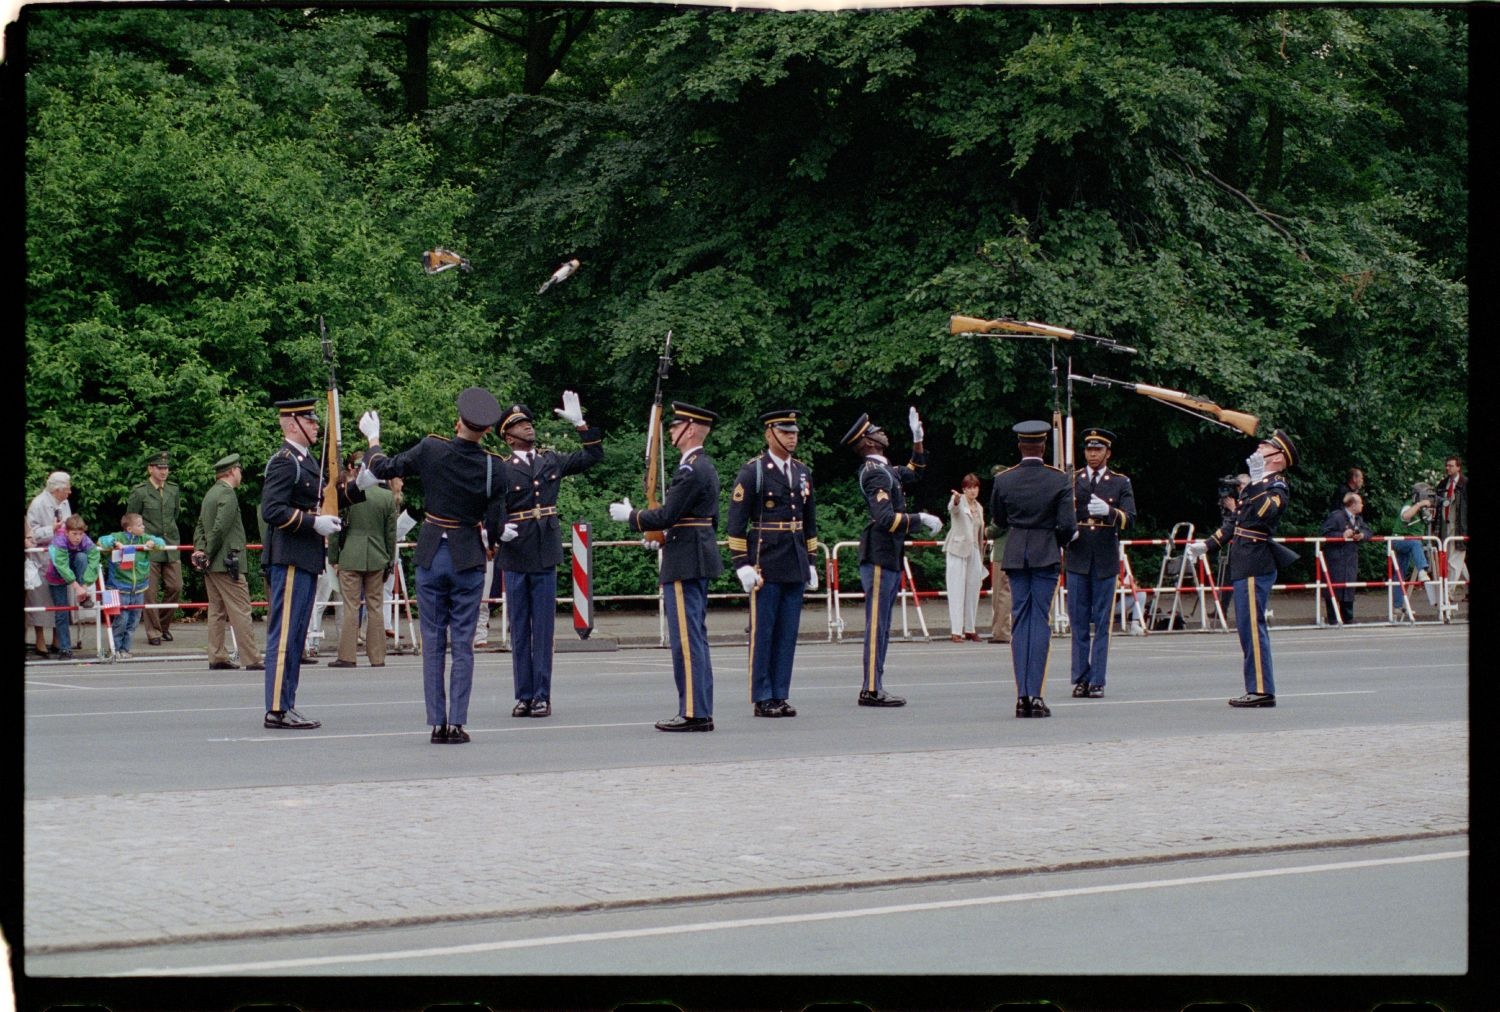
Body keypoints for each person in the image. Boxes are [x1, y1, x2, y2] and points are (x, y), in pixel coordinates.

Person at [359, 387, 509, 744]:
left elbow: (383, 468)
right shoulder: (494, 466)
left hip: (431, 552)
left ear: (457, 422)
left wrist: (373, 438)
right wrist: (492, 543)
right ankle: (456, 722)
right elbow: (496, 526)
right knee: (463, 643)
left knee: (432, 640)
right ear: (487, 430)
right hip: (468, 556)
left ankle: (436, 723)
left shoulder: (431, 448)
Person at [610, 402, 723, 731]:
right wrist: (661, 536)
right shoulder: (705, 467)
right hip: (692, 552)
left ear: (689, 429)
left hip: (685, 560)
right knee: (695, 638)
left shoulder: (690, 470)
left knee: (686, 641)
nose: (670, 432)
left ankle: (693, 712)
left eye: (675, 427)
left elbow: (669, 514)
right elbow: (696, 519)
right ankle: (699, 707)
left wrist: (633, 518)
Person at [495, 393, 604, 717]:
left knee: (543, 630)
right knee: (519, 629)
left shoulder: (550, 460)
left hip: (544, 550)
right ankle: (523, 695)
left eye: (529, 423)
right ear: (508, 435)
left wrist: (581, 424)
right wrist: (497, 527)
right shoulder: (500, 469)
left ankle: (542, 695)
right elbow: (488, 503)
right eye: (520, 425)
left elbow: (593, 457)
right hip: (515, 550)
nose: (528, 428)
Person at [1186, 429, 1300, 708]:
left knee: (1252, 627)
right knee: (1246, 629)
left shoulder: (1277, 487)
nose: (1259, 449)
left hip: (1256, 561)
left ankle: (1262, 690)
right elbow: (1235, 522)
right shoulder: (1255, 485)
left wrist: (1258, 480)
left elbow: (1265, 513)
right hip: (1244, 560)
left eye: (1266, 447)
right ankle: (1257, 687)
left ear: (1278, 458)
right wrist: (1207, 545)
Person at [840, 408, 940, 708]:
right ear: (868, 442)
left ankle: (875, 684)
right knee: (877, 623)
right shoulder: (874, 473)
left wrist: (918, 440)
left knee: (883, 623)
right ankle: (870, 688)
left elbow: (915, 472)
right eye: (876, 431)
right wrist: (919, 518)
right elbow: (885, 518)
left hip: (889, 552)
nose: (882, 432)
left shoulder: (886, 470)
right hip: (880, 552)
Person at [726, 409, 820, 718]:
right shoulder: (754, 471)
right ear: (770, 434)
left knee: (787, 633)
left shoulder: (802, 471)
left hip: (794, 559)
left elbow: (810, 521)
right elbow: (736, 524)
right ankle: (762, 695)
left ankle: (780, 692)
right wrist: (742, 564)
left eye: (794, 431)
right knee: (763, 631)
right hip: (765, 560)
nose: (792, 436)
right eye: (785, 431)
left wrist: (812, 561)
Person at [258, 398, 346, 730]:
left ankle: (287, 703)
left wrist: (360, 487)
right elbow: (272, 510)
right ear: (292, 424)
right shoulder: (285, 461)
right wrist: (313, 524)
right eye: (309, 421)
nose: (315, 425)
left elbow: (324, 496)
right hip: (290, 557)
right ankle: (277, 708)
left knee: (296, 634)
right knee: (284, 636)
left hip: (306, 558)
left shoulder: (306, 461)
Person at [990, 420, 1075, 718]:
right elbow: (1067, 525)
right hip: (1045, 553)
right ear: (1043, 446)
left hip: (1015, 553)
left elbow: (998, 520)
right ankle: (1034, 696)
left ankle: (1020, 696)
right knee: (1039, 621)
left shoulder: (1004, 480)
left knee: (1020, 620)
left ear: (1019, 446)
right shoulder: (1058, 479)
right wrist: (1060, 541)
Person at [1065, 427, 1136, 698]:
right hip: (1078, 555)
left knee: (1103, 622)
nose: (1092, 454)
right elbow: (1061, 513)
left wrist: (1111, 512)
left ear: (1108, 453)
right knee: (1079, 621)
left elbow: (1131, 518)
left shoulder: (1119, 482)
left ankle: (1098, 680)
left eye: (1098, 449)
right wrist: (1066, 531)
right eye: (1089, 449)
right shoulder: (1073, 479)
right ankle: (1081, 677)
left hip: (1105, 557)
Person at [192, 454, 265, 672]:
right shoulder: (228, 495)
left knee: (216, 610)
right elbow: (220, 529)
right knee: (241, 609)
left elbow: (200, 526)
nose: (241, 474)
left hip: (213, 564)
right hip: (227, 562)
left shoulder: (210, 494)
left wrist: (200, 550)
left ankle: (217, 655)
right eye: (240, 470)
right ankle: (251, 657)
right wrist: (209, 552)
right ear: (232, 471)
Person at [328, 453, 397, 669]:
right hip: (377, 555)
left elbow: (335, 528)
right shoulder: (386, 497)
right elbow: (391, 534)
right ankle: (377, 657)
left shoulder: (347, 493)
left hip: (350, 554)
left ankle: (348, 656)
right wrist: (389, 560)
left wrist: (333, 557)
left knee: (351, 606)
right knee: (376, 606)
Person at [127, 452, 183, 646]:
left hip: (169, 545)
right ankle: (153, 632)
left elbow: (174, 515)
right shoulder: (140, 491)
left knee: (176, 586)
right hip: (148, 547)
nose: (164, 471)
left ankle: (163, 626)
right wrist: (138, 542)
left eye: (166, 468)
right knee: (149, 591)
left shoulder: (173, 490)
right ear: (150, 469)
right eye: (160, 468)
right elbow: (131, 520)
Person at [97, 512, 166, 658]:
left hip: (139, 588)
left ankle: (125, 649)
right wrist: (114, 544)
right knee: (120, 620)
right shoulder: (118, 536)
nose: (143, 527)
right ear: (129, 529)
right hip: (119, 588)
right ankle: (114, 649)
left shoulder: (145, 538)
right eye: (140, 525)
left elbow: (161, 543)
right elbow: (101, 541)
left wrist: (153, 543)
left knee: (133, 622)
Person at [27, 471, 74, 656]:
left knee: (60, 600)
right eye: (67, 488)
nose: (69, 492)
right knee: (40, 600)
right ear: (57, 489)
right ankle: (39, 640)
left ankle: (57, 639)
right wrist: (51, 530)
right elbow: (32, 533)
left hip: (61, 558)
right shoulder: (37, 504)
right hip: (42, 560)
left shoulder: (64, 502)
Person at [44, 514, 100, 661]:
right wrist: (75, 587)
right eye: (74, 534)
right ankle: (65, 649)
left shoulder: (85, 539)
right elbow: (61, 566)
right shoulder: (59, 541)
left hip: (75, 571)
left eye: (80, 534)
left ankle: (83, 596)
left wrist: (85, 585)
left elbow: (94, 557)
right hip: (57, 575)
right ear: (67, 532)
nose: (78, 538)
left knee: (82, 557)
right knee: (62, 612)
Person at [1319, 491, 1373, 625]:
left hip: (1350, 558)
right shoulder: (1336, 516)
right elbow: (1325, 533)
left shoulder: (1358, 519)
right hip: (1335, 558)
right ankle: (1332, 618)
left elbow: (1368, 532)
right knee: (1333, 587)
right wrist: (1342, 534)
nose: (1362, 505)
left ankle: (1348, 618)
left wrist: (1361, 535)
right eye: (1360, 502)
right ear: (1353, 504)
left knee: (1349, 587)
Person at [944, 474, 986, 643]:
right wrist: (954, 500)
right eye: (969, 487)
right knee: (956, 589)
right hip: (957, 549)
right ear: (964, 489)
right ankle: (956, 631)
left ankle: (970, 628)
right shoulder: (959, 500)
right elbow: (952, 509)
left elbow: (979, 529)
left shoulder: (979, 506)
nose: (972, 490)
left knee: (973, 589)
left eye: (975, 487)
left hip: (974, 550)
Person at [1433, 454, 1468, 604]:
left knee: (1454, 562)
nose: (1448, 468)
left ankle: (1448, 594)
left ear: (1458, 467)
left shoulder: (1465, 484)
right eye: (1447, 465)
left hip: (1460, 527)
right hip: (1445, 527)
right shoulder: (1442, 484)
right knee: (1454, 561)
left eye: (1451, 465)